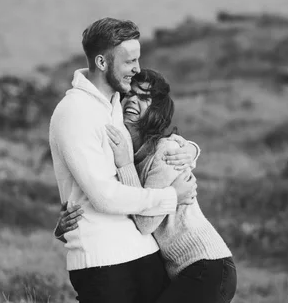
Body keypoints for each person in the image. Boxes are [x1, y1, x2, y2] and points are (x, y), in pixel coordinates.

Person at [49, 18, 201, 303]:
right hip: (103, 262)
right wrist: (170, 196)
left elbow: (155, 141)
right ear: (102, 62)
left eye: (138, 59)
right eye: (129, 61)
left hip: (143, 253)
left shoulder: (116, 106)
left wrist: (190, 149)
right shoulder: (74, 112)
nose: (137, 69)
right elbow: (104, 196)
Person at [55, 68, 237, 303]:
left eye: (143, 98)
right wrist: (66, 226)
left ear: (155, 109)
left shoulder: (165, 151)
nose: (132, 101)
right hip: (184, 270)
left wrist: (126, 164)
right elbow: (111, 200)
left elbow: (145, 222)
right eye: (129, 95)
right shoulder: (127, 152)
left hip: (205, 266)